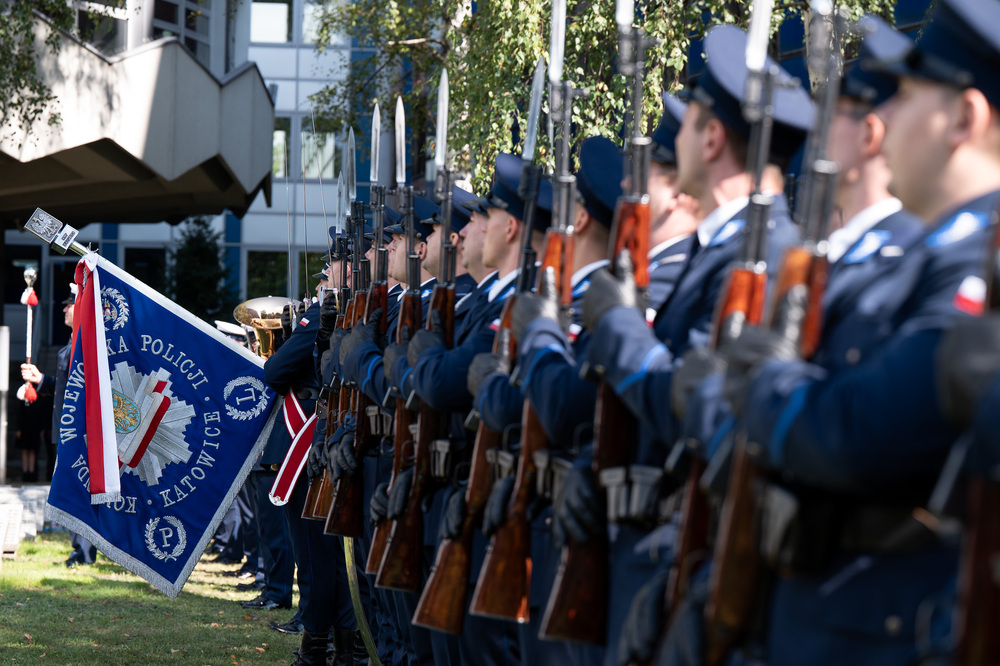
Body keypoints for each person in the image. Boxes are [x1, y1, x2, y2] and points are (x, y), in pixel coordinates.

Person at [21, 284, 98, 567]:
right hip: (65, 430)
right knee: (72, 491)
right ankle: (78, 548)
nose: (64, 308)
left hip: (79, 433)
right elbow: (67, 390)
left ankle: (85, 553)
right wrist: (40, 380)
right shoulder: (72, 340)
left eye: (69, 304)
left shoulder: (86, 343)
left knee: (80, 492)